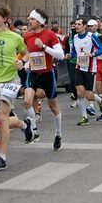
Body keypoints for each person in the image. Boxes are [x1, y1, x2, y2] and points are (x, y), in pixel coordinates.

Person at [0, 4, 33, 171]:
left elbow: (26, 53)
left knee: (2, 118)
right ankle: (25, 125)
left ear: (4, 19)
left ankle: (2, 158)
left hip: (10, 80)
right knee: (4, 120)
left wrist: (21, 62)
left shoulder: (15, 37)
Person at [22, 8, 65, 150]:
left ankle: (58, 133)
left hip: (47, 74)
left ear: (40, 22)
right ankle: (34, 130)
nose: (29, 21)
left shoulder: (50, 35)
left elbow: (61, 55)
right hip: (33, 73)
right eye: (29, 19)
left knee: (53, 107)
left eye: (32, 19)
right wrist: (23, 63)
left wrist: (44, 47)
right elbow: (27, 53)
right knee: (27, 101)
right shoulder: (27, 37)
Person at [64, 18, 102, 126]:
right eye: (75, 24)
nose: (77, 26)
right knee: (79, 93)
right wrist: (70, 55)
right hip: (79, 68)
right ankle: (84, 117)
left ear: (84, 26)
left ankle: (99, 100)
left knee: (89, 95)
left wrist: (92, 54)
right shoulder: (74, 37)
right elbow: (74, 51)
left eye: (79, 24)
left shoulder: (91, 37)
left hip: (90, 69)